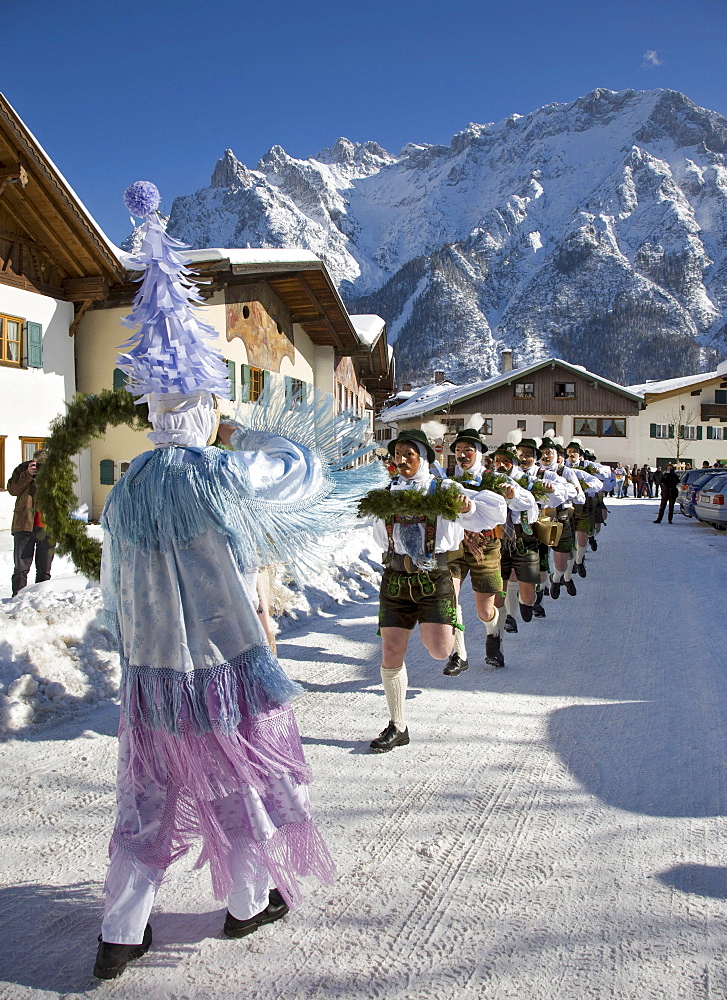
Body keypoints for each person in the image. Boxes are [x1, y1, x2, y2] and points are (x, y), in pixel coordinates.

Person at [93, 181, 381, 979]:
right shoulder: (216, 477)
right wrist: (242, 431)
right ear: (205, 409)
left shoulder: (132, 486)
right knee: (239, 785)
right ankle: (248, 905)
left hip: (151, 678)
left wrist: (124, 640)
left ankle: (120, 933)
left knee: (146, 803)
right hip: (218, 670)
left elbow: (114, 590)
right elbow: (301, 470)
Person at [366, 429, 506, 752]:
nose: (400, 460)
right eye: (396, 454)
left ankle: (470, 639)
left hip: (435, 578)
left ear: (424, 458)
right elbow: (370, 528)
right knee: (391, 651)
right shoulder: (386, 492)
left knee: (440, 649)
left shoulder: (443, 489)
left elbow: (494, 511)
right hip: (396, 579)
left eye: (407, 454)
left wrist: (467, 507)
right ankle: (397, 726)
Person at [7, 448, 56, 596]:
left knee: (44, 569)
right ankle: (17, 599)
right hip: (24, 525)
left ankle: (39, 598)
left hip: (48, 527)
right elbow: (12, 490)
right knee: (21, 568)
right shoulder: (23, 469)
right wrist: (27, 475)